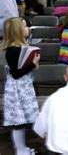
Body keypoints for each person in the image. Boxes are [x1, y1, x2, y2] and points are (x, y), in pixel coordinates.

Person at [2, 17, 40, 155]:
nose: (27, 29)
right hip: (17, 91)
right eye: (24, 27)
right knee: (18, 123)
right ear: (17, 31)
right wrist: (32, 64)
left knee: (23, 121)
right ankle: (20, 150)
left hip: (24, 88)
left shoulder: (20, 48)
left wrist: (32, 63)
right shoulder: (12, 50)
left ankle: (23, 148)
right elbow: (16, 73)